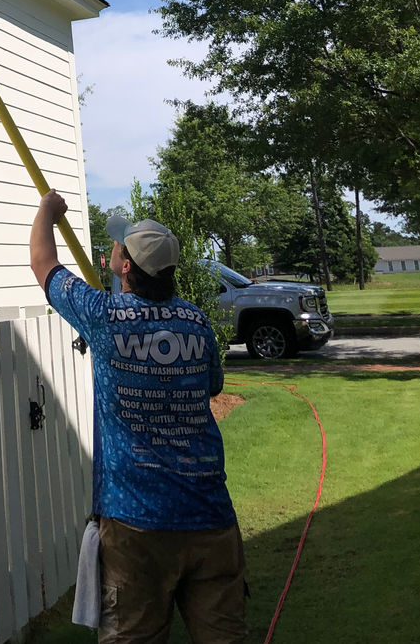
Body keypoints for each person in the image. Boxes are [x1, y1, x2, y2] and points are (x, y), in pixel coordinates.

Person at [30, 190, 247, 644]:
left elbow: (43, 265)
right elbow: (213, 384)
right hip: (210, 516)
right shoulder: (197, 322)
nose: (113, 249)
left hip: (136, 522)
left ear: (126, 266)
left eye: (119, 246)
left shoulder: (105, 316)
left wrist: (49, 211)